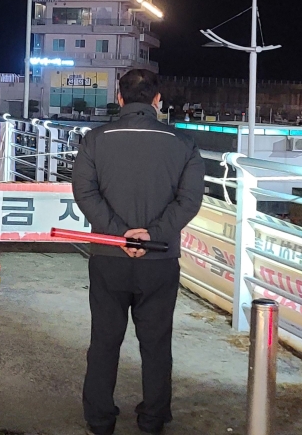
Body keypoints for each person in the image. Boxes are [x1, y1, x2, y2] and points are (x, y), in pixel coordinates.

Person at [72, 69, 205, 435]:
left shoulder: (95, 140)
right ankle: (152, 418)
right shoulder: (183, 143)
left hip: (109, 258)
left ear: (120, 99)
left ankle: (99, 420)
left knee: (104, 340)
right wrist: (152, 235)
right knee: (157, 342)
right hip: (160, 260)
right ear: (157, 100)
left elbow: (85, 194)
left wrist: (119, 235)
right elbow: (189, 200)